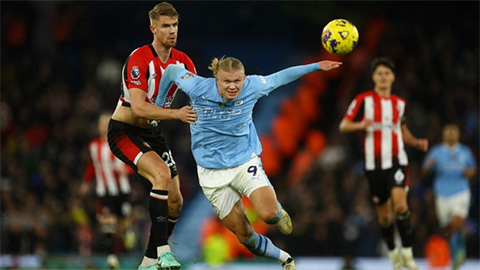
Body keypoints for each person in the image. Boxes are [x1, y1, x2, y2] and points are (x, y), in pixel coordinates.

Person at [154, 56, 342, 270]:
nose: (233, 87)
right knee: (244, 236)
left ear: (244, 79)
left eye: (237, 81)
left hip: (244, 163)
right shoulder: (197, 86)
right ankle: (284, 258)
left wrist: (316, 66)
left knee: (269, 215)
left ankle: (278, 212)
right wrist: (161, 105)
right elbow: (170, 70)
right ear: (216, 78)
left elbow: (281, 77)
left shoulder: (253, 86)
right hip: (211, 174)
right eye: (227, 81)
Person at [107, 2, 197, 270]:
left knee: (176, 201)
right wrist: (178, 114)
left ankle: (148, 260)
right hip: (124, 131)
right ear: (153, 28)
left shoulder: (184, 61)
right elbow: (139, 107)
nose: (172, 31)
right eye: (166, 26)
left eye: (175, 25)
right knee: (161, 174)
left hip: (152, 132)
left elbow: (201, 96)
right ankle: (163, 251)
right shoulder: (139, 59)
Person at [339, 57, 428, 270]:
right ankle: (393, 253)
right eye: (379, 73)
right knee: (385, 217)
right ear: (373, 77)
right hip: (374, 166)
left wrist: (415, 142)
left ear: (393, 77)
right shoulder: (363, 100)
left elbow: (402, 130)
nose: (383, 77)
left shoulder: (400, 104)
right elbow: (344, 125)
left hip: (397, 161)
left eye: (387, 73)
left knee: (401, 205)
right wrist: (361, 124)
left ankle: (407, 251)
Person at [80, 111, 133, 269]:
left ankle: (127, 231)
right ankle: (111, 258)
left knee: (123, 225)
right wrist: (86, 182)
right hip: (104, 191)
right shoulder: (93, 146)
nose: (104, 126)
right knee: (108, 224)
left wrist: (128, 170)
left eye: (106, 123)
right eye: (101, 123)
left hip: (121, 189)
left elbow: (133, 161)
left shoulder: (120, 142)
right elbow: (93, 166)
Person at [422, 124, 476, 270]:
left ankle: (461, 251)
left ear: (458, 135)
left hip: (460, 192)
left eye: (454, 132)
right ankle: (455, 258)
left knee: (457, 222)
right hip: (442, 194)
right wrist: (428, 167)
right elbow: (424, 170)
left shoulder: (465, 152)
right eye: (448, 132)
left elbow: (473, 169)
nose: (451, 134)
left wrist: (470, 173)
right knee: (448, 229)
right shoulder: (436, 152)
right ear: (444, 135)